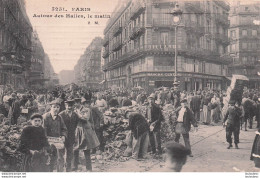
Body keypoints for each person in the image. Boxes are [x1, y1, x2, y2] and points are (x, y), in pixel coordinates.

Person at [43, 99, 68, 172]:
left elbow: (64, 129)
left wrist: (63, 136)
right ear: (51, 107)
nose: (56, 109)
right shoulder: (45, 117)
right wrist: (46, 141)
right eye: (54, 107)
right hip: (48, 142)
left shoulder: (60, 118)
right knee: (49, 159)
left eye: (57, 107)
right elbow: (43, 130)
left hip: (58, 141)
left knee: (60, 158)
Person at [74, 106, 100, 172]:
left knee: (86, 150)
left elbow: (86, 118)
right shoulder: (74, 109)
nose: (77, 103)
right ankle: (75, 167)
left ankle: (89, 168)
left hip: (85, 132)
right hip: (77, 131)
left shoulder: (86, 109)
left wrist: (78, 114)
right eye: (76, 101)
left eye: (78, 101)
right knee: (75, 149)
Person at [59, 99, 80, 172]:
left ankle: (68, 169)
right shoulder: (61, 115)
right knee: (61, 154)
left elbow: (77, 125)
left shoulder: (75, 115)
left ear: (73, 106)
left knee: (70, 153)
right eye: (68, 106)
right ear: (65, 106)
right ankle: (60, 170)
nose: (69, 107)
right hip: (62, 137)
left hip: (71, 137)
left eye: (71, 106)